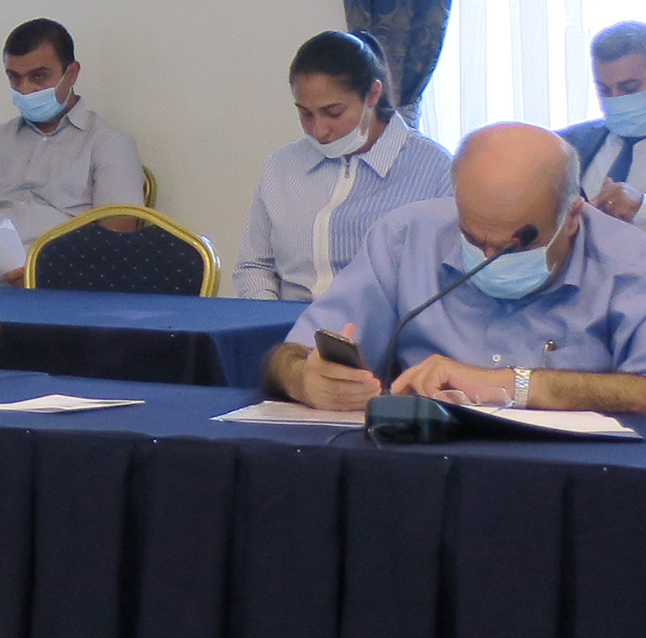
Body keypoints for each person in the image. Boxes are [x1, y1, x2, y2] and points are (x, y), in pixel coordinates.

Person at [268, 121, 646, 413]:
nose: (488, 258)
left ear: (573, 215)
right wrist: (305, 379)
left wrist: (514, 385)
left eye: (515, 246)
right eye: (473, 238)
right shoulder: (405, 237)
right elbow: (287, 356)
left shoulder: (630, 260)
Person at [234, 30, 451, 302]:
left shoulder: (436, 170)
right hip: (286, 325)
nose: (319, 130)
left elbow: (448, 280)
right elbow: (254, 265)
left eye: (333, 112)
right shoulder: (281, 167)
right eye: (305, 114)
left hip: (385, 326)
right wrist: (269, 317)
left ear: (373, 94)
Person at [0, 18, 149, 279]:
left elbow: (118, 233)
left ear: (72, 73)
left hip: (59, 280)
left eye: (39, 76)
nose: (26, 89)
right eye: (14, 78)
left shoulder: (109, 143)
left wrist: (45, 273)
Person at [557, 20, 646, 222]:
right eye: (603, 90)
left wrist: (642, 206)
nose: (614, 99)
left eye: (629, 89)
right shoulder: (568, 143)